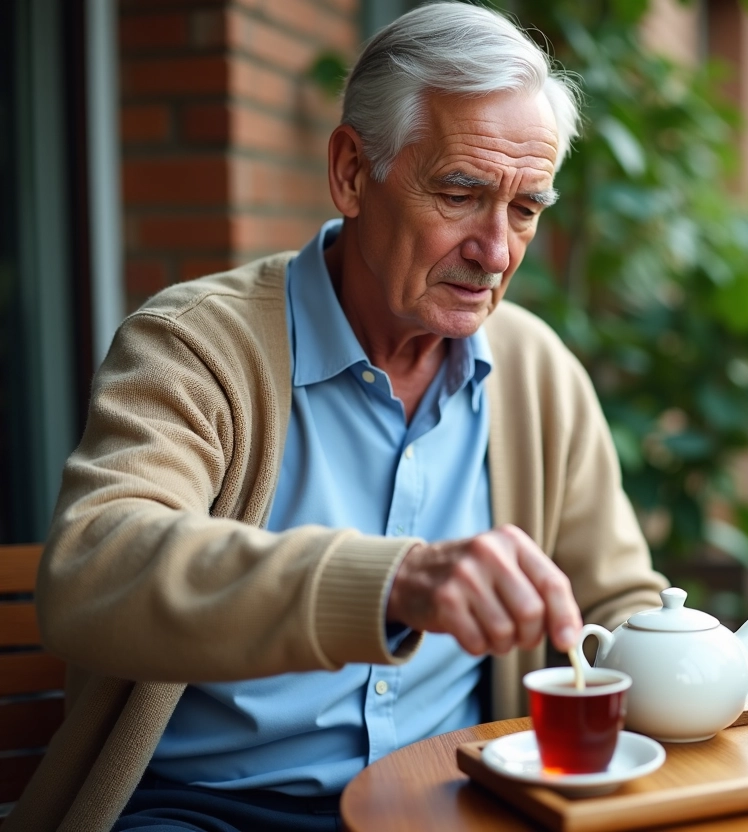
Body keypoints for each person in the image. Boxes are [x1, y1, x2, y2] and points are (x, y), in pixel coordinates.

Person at [7, 4, 666, 831]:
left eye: (526, 209)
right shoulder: (195, 347)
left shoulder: (536, 370)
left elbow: (616, 603)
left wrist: (685, 654)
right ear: (353, 173)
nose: (496, 251)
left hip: (452, 808)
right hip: (208, 814)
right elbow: (92, 570)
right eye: (461, 194)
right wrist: (393, 584)